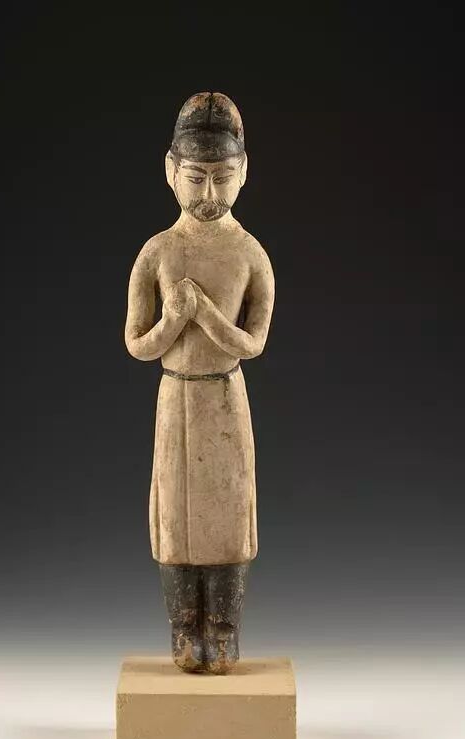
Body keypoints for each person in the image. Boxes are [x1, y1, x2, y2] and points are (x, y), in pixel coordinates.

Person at [124, 91, 275, 674]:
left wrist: (204, 314)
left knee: (229, 512)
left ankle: (225, 629)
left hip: (225, 395)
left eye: (222, 178)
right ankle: (185, 628)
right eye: (195, 178)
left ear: (244, 172)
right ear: (170, 171)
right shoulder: (158, 252)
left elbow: (252, 344)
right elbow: (139, 344)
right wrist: (172, 321)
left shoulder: (250, 255)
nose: (209, 194)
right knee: (175, 519)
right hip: (177, 394)